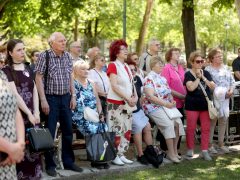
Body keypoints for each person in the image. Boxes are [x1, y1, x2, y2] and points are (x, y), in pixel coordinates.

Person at [35, 32, 82, 177]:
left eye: (64, 40)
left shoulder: (67, 56)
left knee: (68, 131)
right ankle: (50, 164)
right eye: (61, 41)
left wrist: (73, 96)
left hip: (66, 98)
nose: (64, 43)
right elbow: (38, 77)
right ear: (52, 43)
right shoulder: (45, 56)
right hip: (51, 99)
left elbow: (70, 77)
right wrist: (43, 99)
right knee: (50, 132)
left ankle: (68, 161)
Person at [2, 39, 42, 179]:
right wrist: (29, 113)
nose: (22, 52)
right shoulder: (6, 71)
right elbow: (15, 95)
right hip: (19, 115)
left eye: (23, 49)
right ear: (10, 53)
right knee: (21, 148)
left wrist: (36, 111)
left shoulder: (28, 67)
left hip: (33, 114)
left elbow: (34, 90)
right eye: (19, 50)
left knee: (34, 147)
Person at [142, 56, 185, 163]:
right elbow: (150, 97)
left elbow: (168, 92)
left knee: (178, 123)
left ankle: (175, 151)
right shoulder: (149, 79)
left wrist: (171, 101)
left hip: (166, 106)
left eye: (162, 64)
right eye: (159, 64)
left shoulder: (162, 78)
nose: (162, 66)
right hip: (153, 107)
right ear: (152, 66)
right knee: (169, 124)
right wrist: (166, 104)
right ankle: (170, 153)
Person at [72, 60, 109, 169]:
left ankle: (102, 158)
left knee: (104, 128)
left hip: (93, 114)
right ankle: (95, 160)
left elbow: (97, 100)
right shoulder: (73, 83)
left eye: (87, 69)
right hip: (80, 115)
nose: (86, 71)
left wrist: (101, 113)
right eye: (82, 69)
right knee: (92, 129)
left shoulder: (91, 82)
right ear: (76, 71)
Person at [107, 39, 138, 166]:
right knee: (116, 129)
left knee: (126, 128)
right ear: (116, 52)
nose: (126, 51)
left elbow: (131, 84)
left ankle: (121, 154)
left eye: (126, 48)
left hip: (128, 102)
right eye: (123, 49)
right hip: (116, 102)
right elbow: (114, 86)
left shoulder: (126, 66)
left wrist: (134, 96)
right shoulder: (113, 65)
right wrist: (127, 97)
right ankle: (114, 155)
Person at [184, 51, 215, 161]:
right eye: (198, 61)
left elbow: (212, 86)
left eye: (202, 61)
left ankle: (205, 150)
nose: (200, 63)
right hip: (192, 105)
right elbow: (191, 88)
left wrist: (203, 77)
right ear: (192, 62)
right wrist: (198, 78)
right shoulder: (188, 74)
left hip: (205, 106)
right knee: (191, 128)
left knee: (206, 128)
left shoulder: (206, 73)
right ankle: (190, 149)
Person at [205, 48, 235, 154]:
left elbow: (232, 81)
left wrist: (231, 90)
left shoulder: (226, 67)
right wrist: (222, 93)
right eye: (218, 56)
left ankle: (221, 143)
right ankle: (210, 144)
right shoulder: (208, 70)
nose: (220, 58)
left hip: (226, 98)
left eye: (221, 56)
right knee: (213, 121)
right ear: (212, 59)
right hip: (215, 99)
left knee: (224, 120)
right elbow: (209, 85)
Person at [0, 70, 25, 180]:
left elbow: (15, 109)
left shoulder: (1, 74)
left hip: (10, 158)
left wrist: (20, 144)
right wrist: (9, 148)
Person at [160, 48, 186, 152]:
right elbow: (165, 86)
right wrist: (179, 95)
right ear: (170, 55)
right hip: (171, 101)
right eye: (175, 53)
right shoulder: (166, 68)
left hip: (182, 101)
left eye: (178, 52)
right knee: (170, 125)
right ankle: (165, 149)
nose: (178, 54)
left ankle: (176, 149)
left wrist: (184, 96)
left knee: (179, 125)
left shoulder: (180, 67)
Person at [127, 61, 153, 165]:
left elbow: (141, 94)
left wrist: (141, 106)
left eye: (134, 70)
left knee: (147, 126)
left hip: (138, 110)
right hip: (129, 111)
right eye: (130, 70)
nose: (132, 72)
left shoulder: (137, 79)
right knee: (138, 127)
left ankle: (150, 150)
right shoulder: (125, 81)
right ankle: (140, 154)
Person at [88, 54, 110, 118]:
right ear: (96, 62)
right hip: (98, 99)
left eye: (105, 60)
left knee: (106, 118)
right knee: (99, 118)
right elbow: (92, 86)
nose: (104, 62)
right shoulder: (92, 72)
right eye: (102, 60)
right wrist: (101, 93)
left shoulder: (104, 73)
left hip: (106, 99)